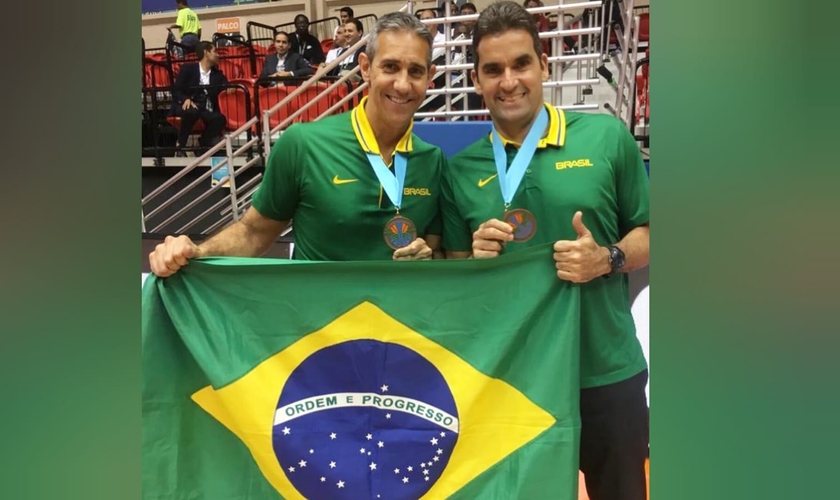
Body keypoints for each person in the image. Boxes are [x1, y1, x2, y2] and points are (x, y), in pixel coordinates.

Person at [440, 2, 650, 500]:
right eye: (493, 70)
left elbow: (649, 233)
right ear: (476, 79)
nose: (508, 81)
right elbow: (451, 272)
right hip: (513, 376)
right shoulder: (462, 168)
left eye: (520, 64)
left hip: (605, 368)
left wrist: (608, 259)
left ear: (544, 66)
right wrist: (475, 261)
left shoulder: (605, 138)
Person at [150, 12, 444, 276]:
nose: (403, 84)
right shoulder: (302, 144)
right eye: (390, 67)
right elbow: (253, 233)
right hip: (318, 329)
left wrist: (426, 260)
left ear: (430, 78)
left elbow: (436, 251)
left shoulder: (433, 162)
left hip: (395, 332)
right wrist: (196, 253)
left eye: (415, 71)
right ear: (365, 68)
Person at [171, 41, 228, 156]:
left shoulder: (217, 74)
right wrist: (185, 99)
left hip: (205, 108)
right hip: (187, 105)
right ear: (206, 53)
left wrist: (229, 88)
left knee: (220, 119)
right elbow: (176, 90)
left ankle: (202, 143)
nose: (218, 55)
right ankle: (181, 145)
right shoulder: (188, 69)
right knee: (192, 111)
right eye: (215, 51)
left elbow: (226, 84)